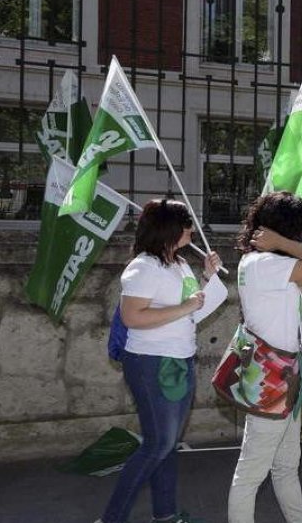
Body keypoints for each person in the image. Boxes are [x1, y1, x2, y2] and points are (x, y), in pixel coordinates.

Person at [96, 199, 225, 523]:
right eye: (186, 224)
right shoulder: (143, 267)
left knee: (167, 443)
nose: (192, 230)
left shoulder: (178, 263)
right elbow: (133, 317)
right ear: (170, 228)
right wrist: (186, 307)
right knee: (158, 444)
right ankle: (111, 518)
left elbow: (193, 309)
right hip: (151, 363)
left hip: (179, 359)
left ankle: (165, 514)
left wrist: (209, 279)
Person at [227, 192, 302, 523]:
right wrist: (285, 244)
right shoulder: (268, 262)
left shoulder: (260, 264)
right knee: (250, 474)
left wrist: (300, 265)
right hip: (273, 378)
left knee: (286, 465)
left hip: (279, 376)